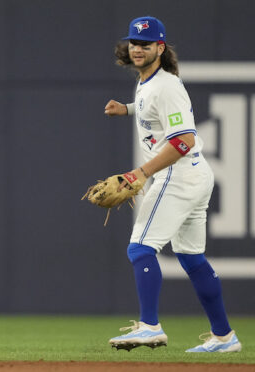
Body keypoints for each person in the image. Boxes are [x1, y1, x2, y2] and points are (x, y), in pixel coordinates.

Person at [103, 16, 241, 352]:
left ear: (160, 48)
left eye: (146, 44)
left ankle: (150, 326)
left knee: (139, 248)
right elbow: (153, 109)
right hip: (196, 176)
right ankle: (224, 337)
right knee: (193, 259)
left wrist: (141, 173)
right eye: (134, 42)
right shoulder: (150, 83)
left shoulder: (165, 85)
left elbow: (184, 141)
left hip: (177, 175)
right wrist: (128, 109)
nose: (138, 48)